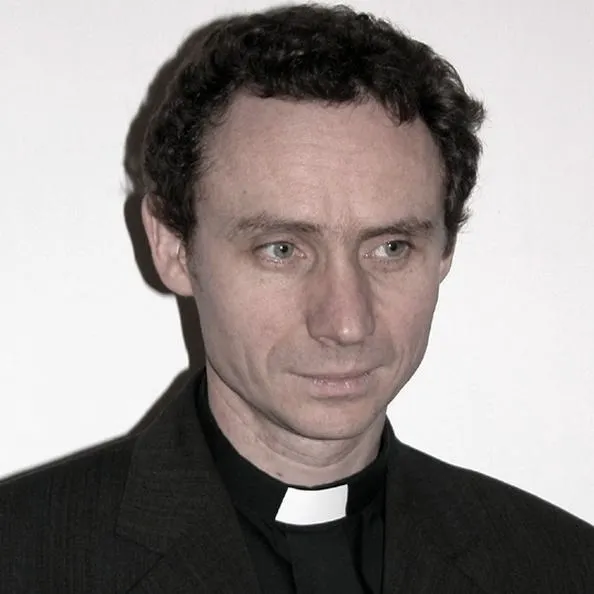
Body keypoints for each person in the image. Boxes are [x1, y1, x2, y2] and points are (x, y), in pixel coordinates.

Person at [1, 4, 592, 593]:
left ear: (445, 253)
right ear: (174, 248)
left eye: (390, 248)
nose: (346, 323)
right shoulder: (19, 557)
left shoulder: (563, 566)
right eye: (281, 249)